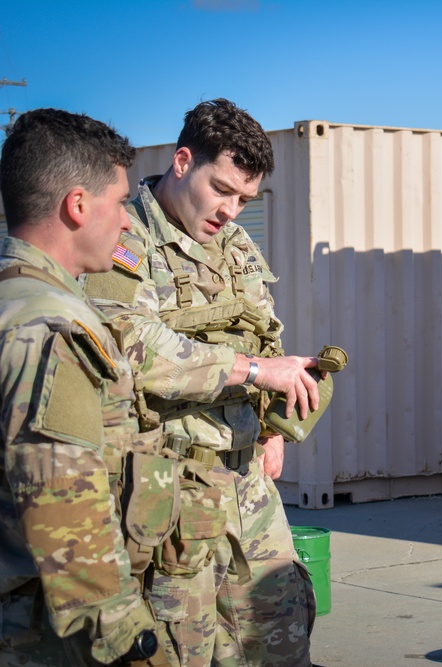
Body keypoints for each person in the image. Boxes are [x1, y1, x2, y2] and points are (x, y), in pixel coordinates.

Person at [83, 99, 319, 667]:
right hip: (169, 493)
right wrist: (258, 371)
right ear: (184, 161)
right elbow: (133, 349)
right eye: (222, 190)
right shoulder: (123, 239)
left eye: (244, 198)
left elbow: (265, 332)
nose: (232, 210)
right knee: (179, 649)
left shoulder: (234, 245)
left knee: (280, 637)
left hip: (248, 485)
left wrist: (272, 428)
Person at [0, 109, 168, 665]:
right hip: (40, 637)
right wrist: (131, 644)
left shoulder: (14, 301)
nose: (127, 223)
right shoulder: (52, 329)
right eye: (120, 203)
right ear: (76, 205)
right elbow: (66, 515)